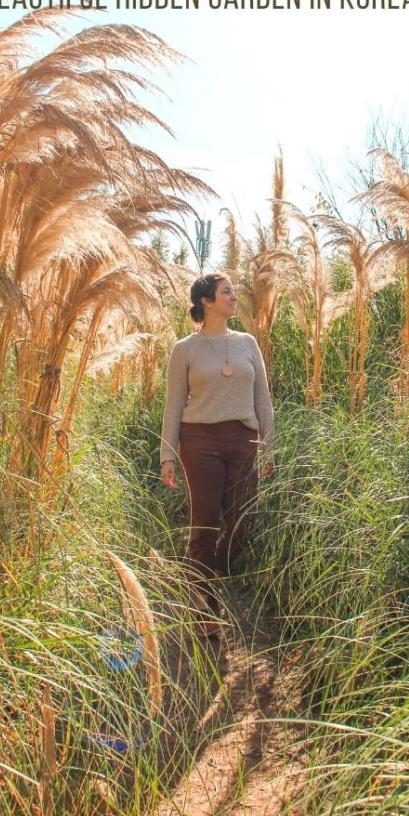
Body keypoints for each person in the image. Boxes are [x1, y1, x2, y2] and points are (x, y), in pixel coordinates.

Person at [159, 272, 275, 638]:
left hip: (244, 440)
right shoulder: (185, 349)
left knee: (244, 521)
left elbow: (263, 400)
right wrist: (168, 455)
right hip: (200, 442)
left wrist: (269, 446)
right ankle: (204, 603)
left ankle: (204, 570)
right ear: (206, 301)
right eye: (226, 292)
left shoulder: (248, 343)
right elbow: (173, 404)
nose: (233, 296)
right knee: (205, 523)